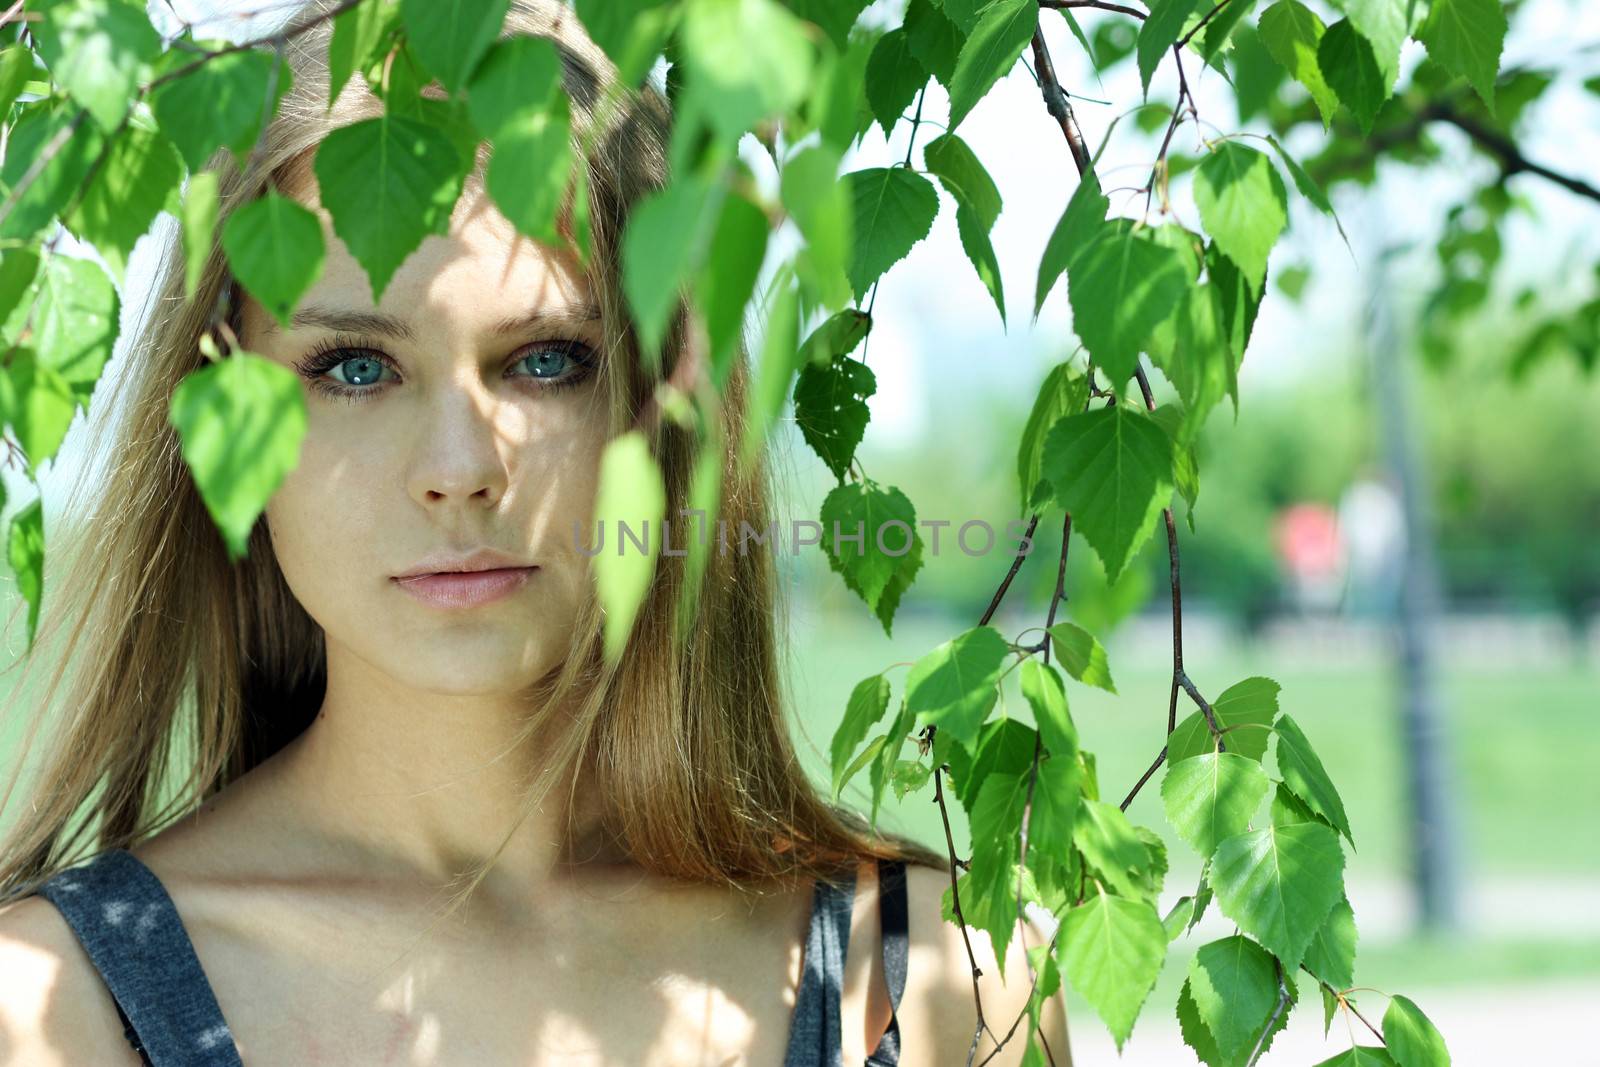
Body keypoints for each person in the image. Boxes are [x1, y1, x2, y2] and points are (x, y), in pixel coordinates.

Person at [0, 2, 1070, 1064]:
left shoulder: (945, 973)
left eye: (548, 359)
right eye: (355, 368)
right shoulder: (50, 1003)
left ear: (671, 403)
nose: (459, 471)